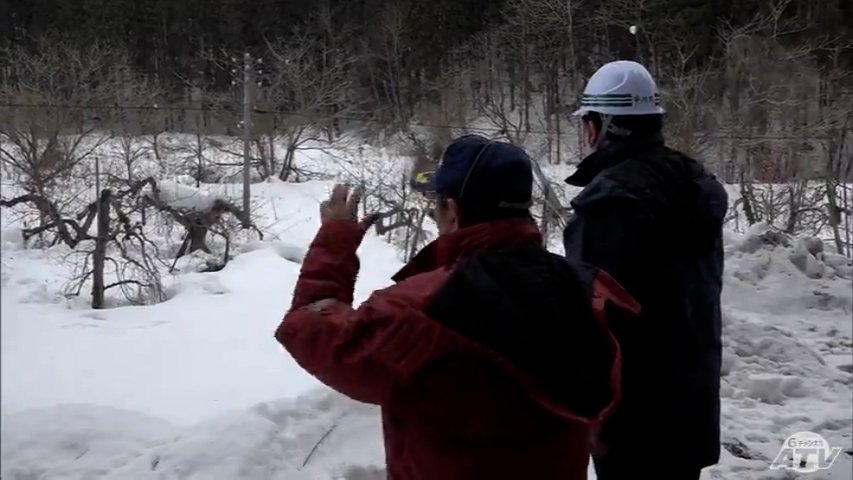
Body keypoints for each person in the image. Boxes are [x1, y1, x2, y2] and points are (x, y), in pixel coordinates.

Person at [275, 134, 640, 480]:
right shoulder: (586, 291)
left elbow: (309, 329)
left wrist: (334, 241)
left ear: (451, 210)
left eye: (436, 207)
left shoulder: (420, 310)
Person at [562, 60, 728, 480]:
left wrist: (593, 411)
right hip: (690, 404)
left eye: (588, 123)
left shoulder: (610, 203)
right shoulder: (690, 183)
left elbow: (596, 323)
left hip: (632, 420)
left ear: (601, 126)